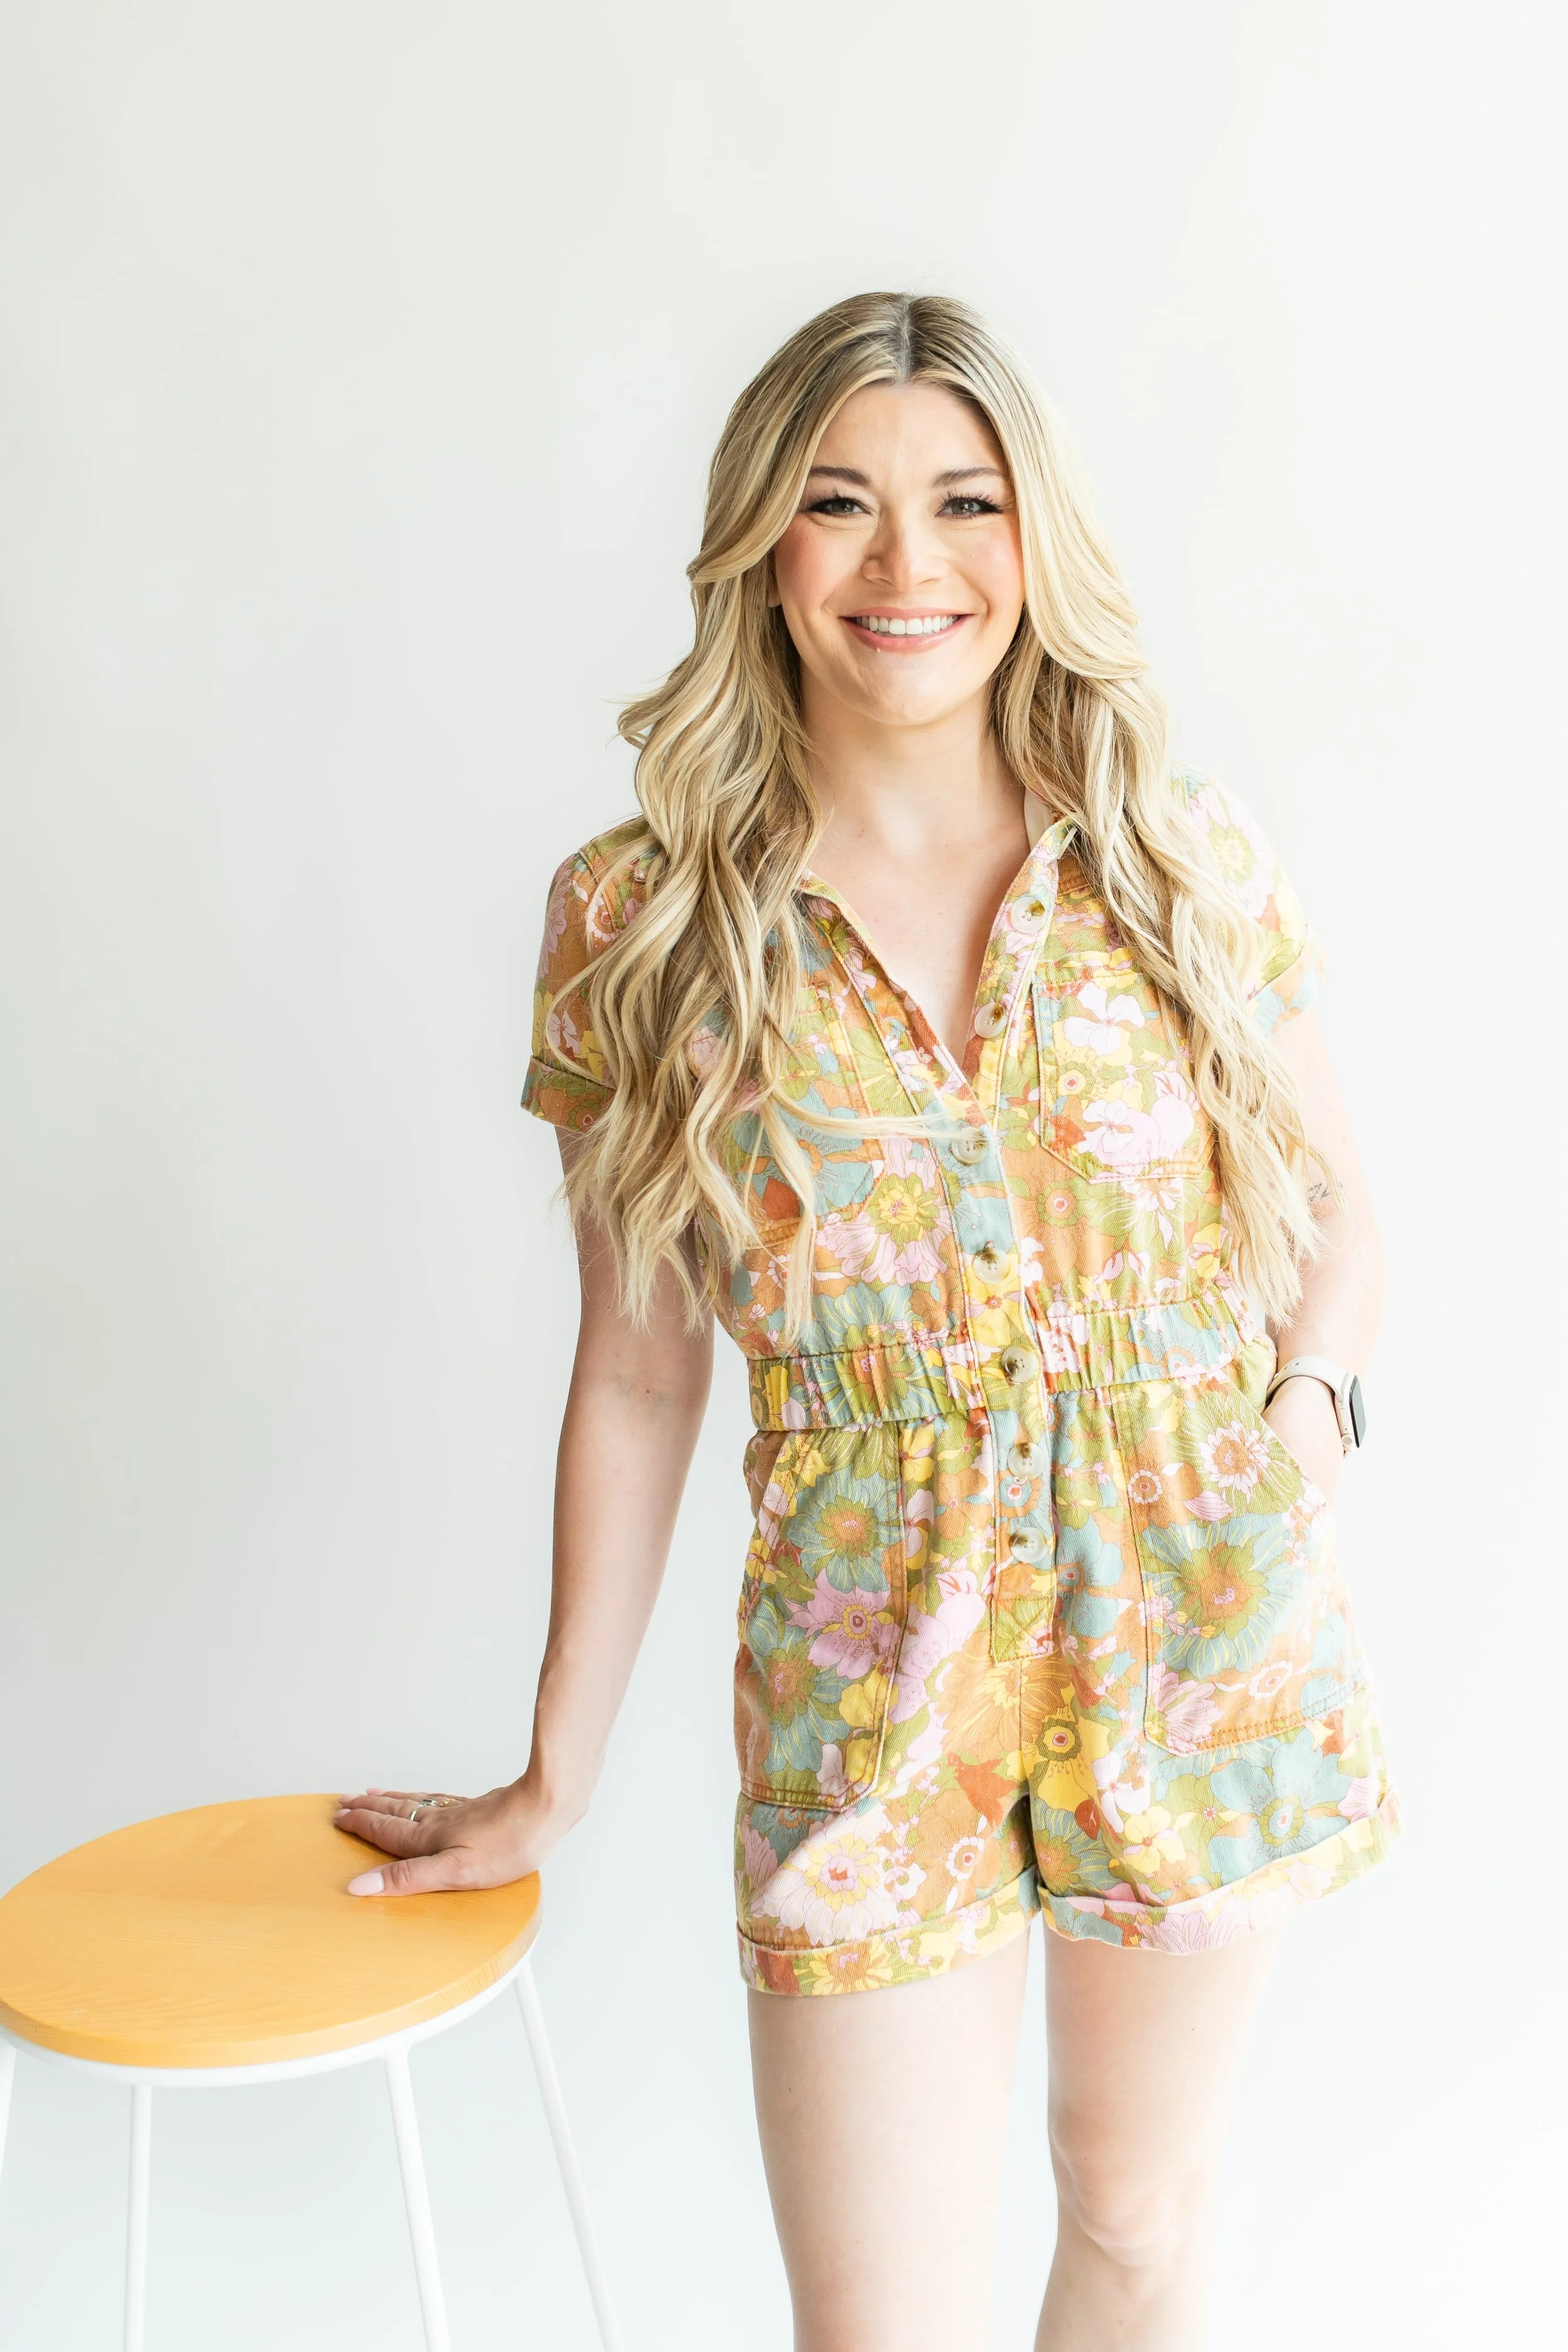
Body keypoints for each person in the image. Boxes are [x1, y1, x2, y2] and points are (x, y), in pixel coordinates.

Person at [334, 292, 1399, 2352]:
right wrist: (550, 1769)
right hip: (865, 1653)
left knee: (1133, 2213)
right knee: (874, 2326)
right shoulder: (640, 920)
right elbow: (640, 1366)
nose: (907, 567)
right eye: (839, 504)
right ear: (761, 543)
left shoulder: (1176, 859)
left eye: (961, 502)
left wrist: (1304, 1434)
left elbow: (1345, 1214)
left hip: (1192, 1612)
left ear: (1033, 535)